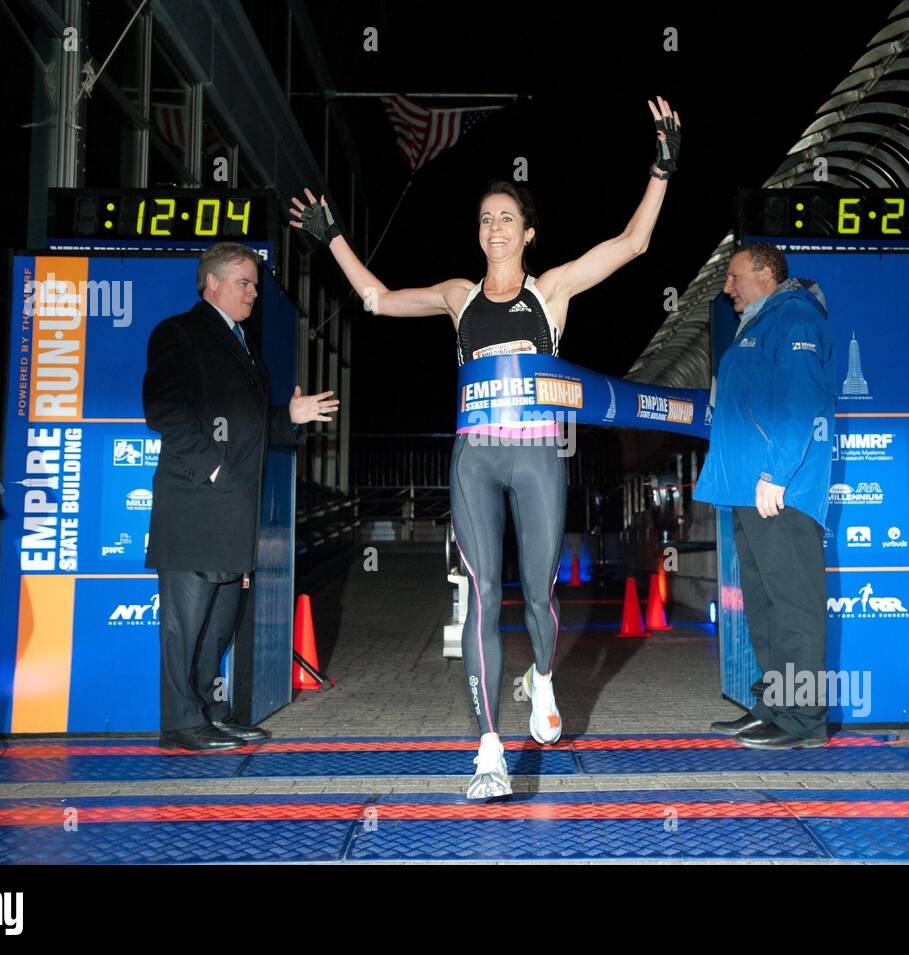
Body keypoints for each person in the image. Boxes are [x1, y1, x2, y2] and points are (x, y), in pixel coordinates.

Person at [291, 96, 681, 798]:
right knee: (480, 593)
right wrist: (334, 238)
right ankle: (488, 751)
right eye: (485, 219)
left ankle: (543, 678)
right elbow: (377, 300)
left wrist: (661, 167)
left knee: (537, 592)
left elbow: (631, 245)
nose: (494, 227)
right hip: (476, 457)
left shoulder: (551, 291)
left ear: (528, 233)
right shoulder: (456, 296)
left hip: (536, 457)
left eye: (507, 218)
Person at [143, 242, 339, 751]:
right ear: (212, 283)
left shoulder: (242, 343)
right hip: (195, 507)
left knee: (218, 624)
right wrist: (212, 468)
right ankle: (180, 723)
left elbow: (253, 427)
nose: (254, 292)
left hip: (231, 511)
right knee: (184, 626)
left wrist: (287, 419)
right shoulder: (179, 333)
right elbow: (164, 410)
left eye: (254, 283)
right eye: (244, 282)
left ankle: (209, 710)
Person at [696, 243, 836, 749]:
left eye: (734, 277)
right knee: (765, 608)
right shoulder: (759, 323)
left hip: (780, 491)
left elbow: (801, 400)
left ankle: (805, 721)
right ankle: (775, 708)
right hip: (749, 491)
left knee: (793, 609)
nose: (726, 288)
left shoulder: (793, 317)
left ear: (764, 273)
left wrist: (776, 474)